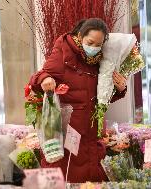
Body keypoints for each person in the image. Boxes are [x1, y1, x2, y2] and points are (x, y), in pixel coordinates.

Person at [29, 18, 127, 183]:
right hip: (68, 135)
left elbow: (104, 98)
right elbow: (36, 79)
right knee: (68, 177)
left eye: (99, 45)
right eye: (91, 42)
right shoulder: (63, 52)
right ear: (80, 36)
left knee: (91, 181)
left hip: (91, 135)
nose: (94, 48)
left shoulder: (101, 61)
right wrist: (45, 78)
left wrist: (120, 88)